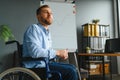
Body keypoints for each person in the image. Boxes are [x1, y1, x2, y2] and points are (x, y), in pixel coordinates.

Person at [23, 5, 78, 80]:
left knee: (73, 67)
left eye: (51, 13)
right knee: (71, 71)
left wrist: (60, 54)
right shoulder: (34, 28)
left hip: (46, 64)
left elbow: (46, 53)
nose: (50, 15)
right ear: (38, 16)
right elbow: (35, 52)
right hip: (37, 66)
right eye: (46, 12)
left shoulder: (47, 33)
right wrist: (57, 52)